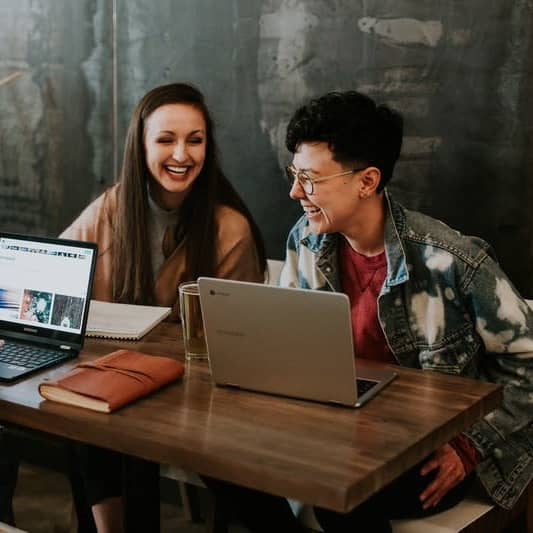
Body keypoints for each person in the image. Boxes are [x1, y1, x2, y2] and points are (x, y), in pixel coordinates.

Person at [205, 90, 533, 532]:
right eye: (294, 174)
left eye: (310, 179)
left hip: (425, 447)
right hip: (337, 431)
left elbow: (527, 364)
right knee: (216, 455)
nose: (294, 191)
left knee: (341, 488)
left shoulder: (451, 261)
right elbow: (289, 351)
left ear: (367, 181)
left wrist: (470, 445)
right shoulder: (306, 240)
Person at [1, 82, 266, 533]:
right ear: (141, 145)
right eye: (165, 140)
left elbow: (237, 343)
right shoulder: (112, 207)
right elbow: (52, 269)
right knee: (76, 407)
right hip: (113, 384)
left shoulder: (229, 229)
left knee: (107, 418)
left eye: (195, 140)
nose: (181, 154)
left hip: (191, 394)